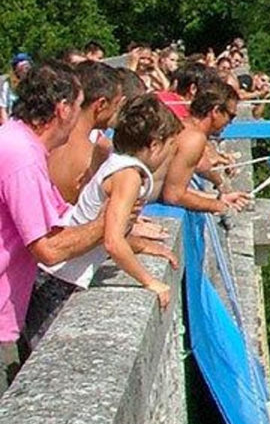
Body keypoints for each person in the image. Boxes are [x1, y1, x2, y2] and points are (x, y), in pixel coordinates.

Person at [0, 63, 107, 389]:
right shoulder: (22, 157)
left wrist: (126, 225)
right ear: (62, 109)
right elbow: (48, 247)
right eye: (77, 106)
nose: (79, 116)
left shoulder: (19, 144)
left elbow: (64, 216)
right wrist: (108, 225)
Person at [36, 95, 181, 319]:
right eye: (171, 146)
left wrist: (142, 246)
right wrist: (150, 281)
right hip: (58, 279)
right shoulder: (129, 176)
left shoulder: (117, 163)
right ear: (154, 145)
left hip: (52, 275)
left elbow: (111, 226)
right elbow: (113, 242)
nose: (171, 155)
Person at [160, 80, 250, 215]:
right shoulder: (194, 138)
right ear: (216, 111)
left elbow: (171, 185)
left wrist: (220, 198)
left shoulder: (183, 126)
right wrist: (218, 206)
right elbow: (174, 196)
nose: (230, 123)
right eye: (230, 116)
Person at [48, 61, 125, 205]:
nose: (117, 111)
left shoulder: (46, 144)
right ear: (101, 104)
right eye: (116, 104)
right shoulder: (92, 159)